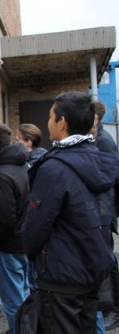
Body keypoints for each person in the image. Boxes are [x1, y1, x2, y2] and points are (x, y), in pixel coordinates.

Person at [23, 91, 118, 333]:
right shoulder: (102, 162)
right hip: (93, 269)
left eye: (50, 117)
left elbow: (35, 228)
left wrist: (31, 252)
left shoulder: (53, 169)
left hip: (61, 276)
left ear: (62, 122)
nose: (47, 123)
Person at [0, 123, 30, 334]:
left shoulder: (2, 174)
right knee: (21, 294)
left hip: (7, 247)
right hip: (22, 241)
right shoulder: (21, 165)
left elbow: (6, 219)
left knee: (13, 302)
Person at [92, 101, 119, 331]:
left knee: (109, 261)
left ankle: (115, 310)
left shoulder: (103, 141)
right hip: (103, 210)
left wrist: (105, 214)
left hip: (104, 211)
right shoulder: (97, 139)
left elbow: (110, 178)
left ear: (96, 118)